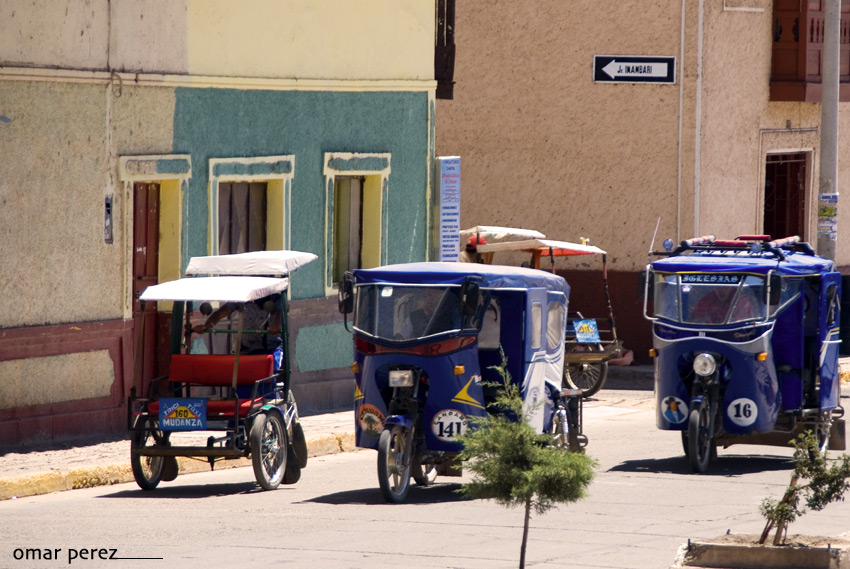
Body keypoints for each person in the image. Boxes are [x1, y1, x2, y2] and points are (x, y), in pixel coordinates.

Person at [193, 294, 283, 368]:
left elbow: (278, 314)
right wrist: (206, 326)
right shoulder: (243, 298)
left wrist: (275, 326)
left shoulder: (276, 298)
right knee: (241, 376)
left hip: (271, 349)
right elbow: (220, 313)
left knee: (268, 374)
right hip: (247, 350)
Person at [690, 286, 757, 324]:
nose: (721, 291)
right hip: (711, 333)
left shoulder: (741, 299)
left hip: (735, 332)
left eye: (725, 287)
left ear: (732, 288)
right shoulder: (709, 298)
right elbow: (693, 319)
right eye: (718, 287)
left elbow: (742, 322)